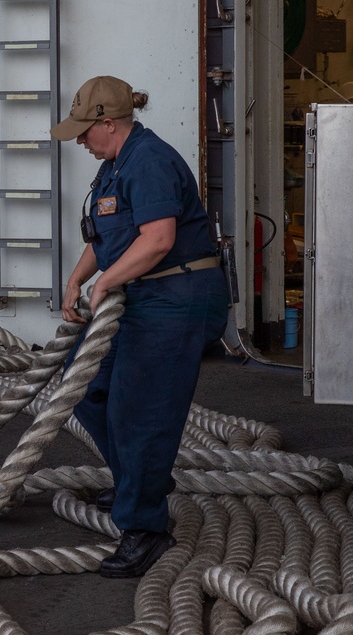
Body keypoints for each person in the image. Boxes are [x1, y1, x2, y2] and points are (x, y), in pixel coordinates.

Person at [54, 76, 228, 578]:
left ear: (110, 122)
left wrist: (104, 284)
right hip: (143, 295)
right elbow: (109, 234)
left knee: (140, 411)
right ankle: (138, 479)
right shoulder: (115, 165)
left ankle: (145, 528)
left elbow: (156, 240)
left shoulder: (149, 161)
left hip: (176, 297)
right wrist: (77, 280)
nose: (80, 142)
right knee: (82, 383)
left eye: (85, 132)